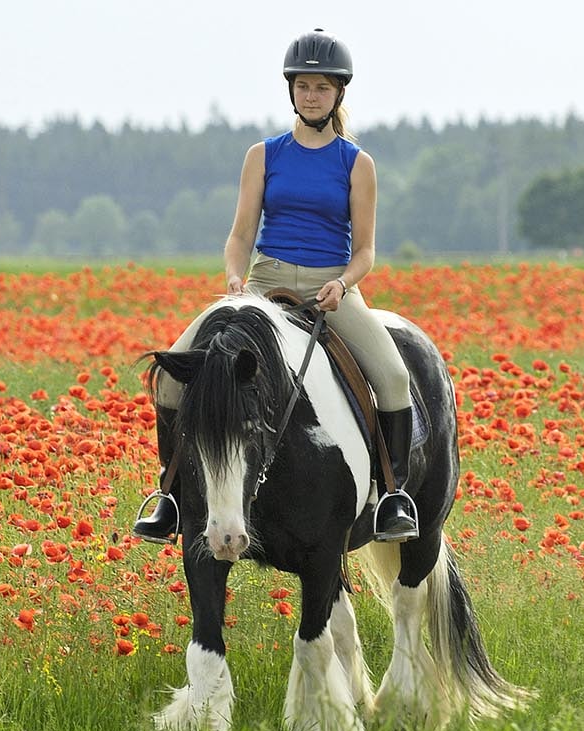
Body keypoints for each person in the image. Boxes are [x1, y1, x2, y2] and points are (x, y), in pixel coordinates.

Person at [134, 28, 421, 544]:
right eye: (304, 86)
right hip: (263, 284)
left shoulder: (358, 164)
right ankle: (171, 497)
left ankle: (391, 496)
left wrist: (343, 283)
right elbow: (241, 233)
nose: (312, 95)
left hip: (331, 287)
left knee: (395, 377)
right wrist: (234, 279)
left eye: (322, 88)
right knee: (173, 374)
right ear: (291, 90)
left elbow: (366, 252)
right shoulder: (263, 155)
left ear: (338, 95)